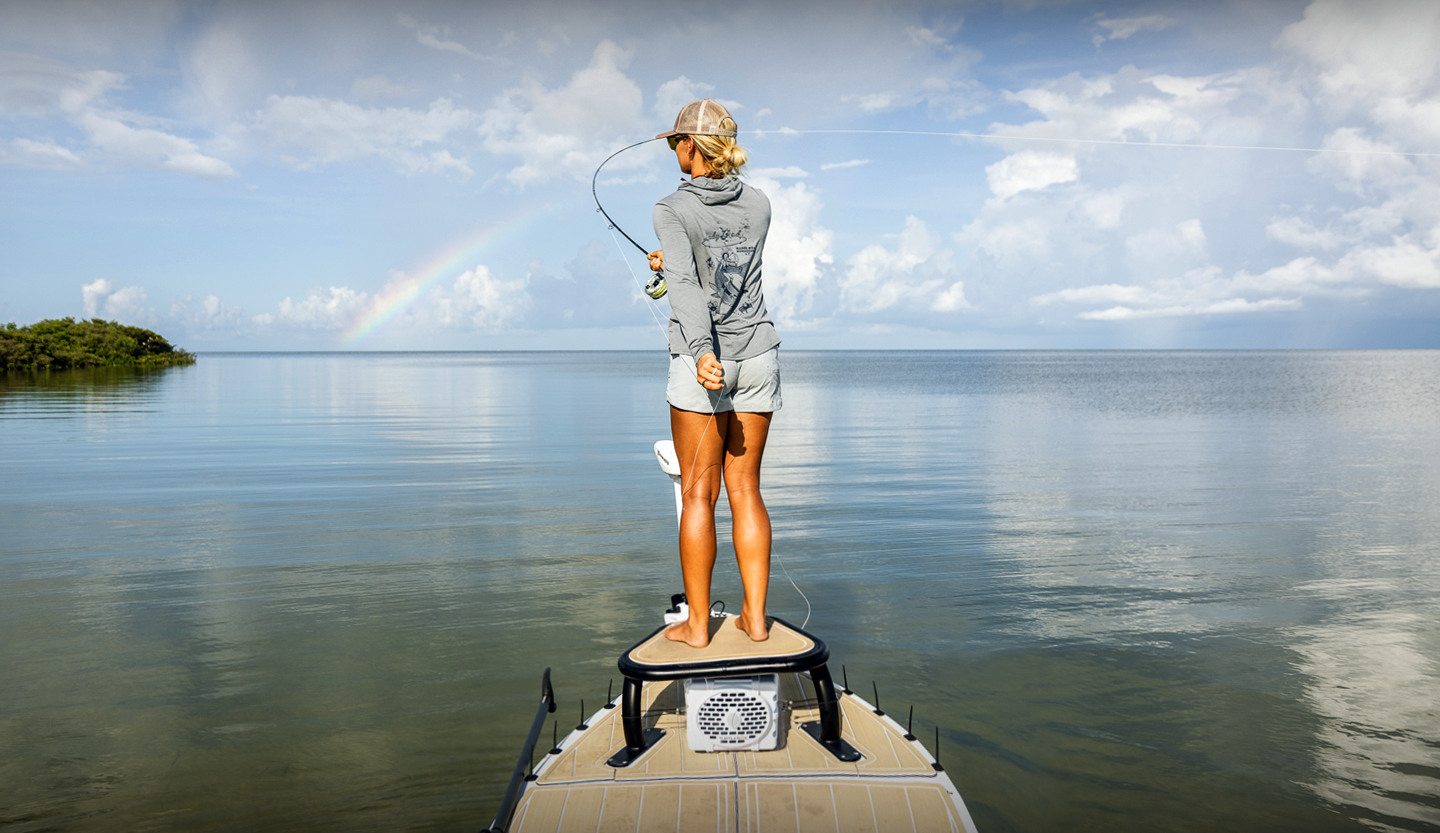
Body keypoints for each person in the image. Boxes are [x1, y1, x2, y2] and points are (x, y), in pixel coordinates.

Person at [647, 99, 781, 649]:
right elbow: (729, 269)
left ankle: (699, 627)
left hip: (704, 362)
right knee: (745, 489)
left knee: (699, 496)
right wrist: (672, 260)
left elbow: (688, 291)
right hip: (760, 355)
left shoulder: (671, 208)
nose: (672, 150)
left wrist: (703, 351)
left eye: (675, 142)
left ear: (690, 146)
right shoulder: (760, 203)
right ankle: (754, 619)